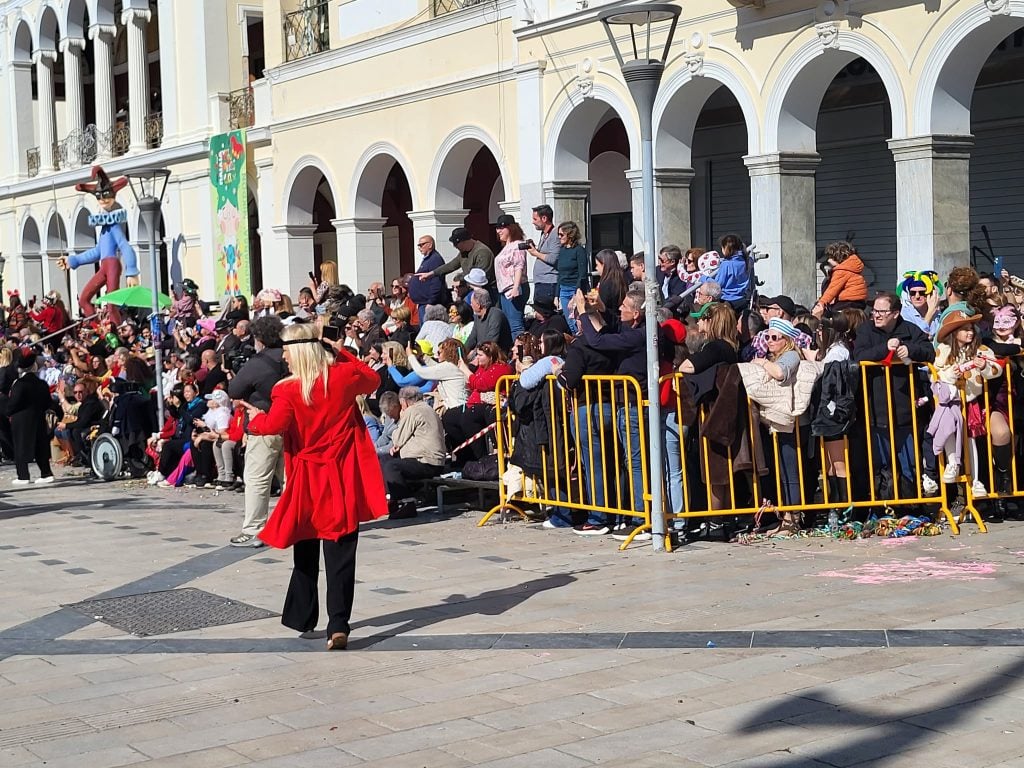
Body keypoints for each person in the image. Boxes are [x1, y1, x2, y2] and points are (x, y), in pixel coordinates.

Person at [243, 322, 388, 651]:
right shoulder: (342, 379)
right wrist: (339, 351)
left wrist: (252, 418)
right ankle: (338, 624)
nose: (285, 359)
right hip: (340, 474)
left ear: (298, 352)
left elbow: (274, 425)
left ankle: (303, 615)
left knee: (305, 548)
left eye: (287, 353)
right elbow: (372, 378)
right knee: (340, 553)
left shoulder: (287, 390)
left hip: (308, 477)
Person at [854, 290, 935, 499]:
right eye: (874, 311)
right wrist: (884, 349)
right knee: (880, 462)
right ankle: (882, 508)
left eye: (882, 311)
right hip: (876, 409)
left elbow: (929, 352)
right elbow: (859, 355)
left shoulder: (909, 330)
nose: (877, 315)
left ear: (896, 313)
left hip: (905, 408)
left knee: (909, 462)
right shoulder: (865, 330)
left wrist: (910, 350)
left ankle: (911, 505)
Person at [227, 315, 288, 547]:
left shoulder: (257, 362)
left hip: (263, 425)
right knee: (290, 479)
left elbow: (235, 389)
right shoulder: (289, 356)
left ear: (259, 338)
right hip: (291, 425)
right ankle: (297, 524)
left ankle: (254, 529)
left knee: (257, 479)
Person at [381, 386, 447, 517]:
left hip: (427, 461)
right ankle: (393, 501)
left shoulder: (413, 411)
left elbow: (398, 437)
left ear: (404, 402)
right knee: (386, 460)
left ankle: (407, 503)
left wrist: (397, 437)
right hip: (429, 460)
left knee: (391, 466)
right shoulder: (427, 409)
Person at [7, 350, 57, 486]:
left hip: (21, 420)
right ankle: (46, 473)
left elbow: (13, 403)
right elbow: (48, 402)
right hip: (38, 417)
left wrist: (7, 411)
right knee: (40, 446)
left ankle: (23, 475)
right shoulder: (41, 384)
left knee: (21, 447)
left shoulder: (20, 384)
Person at [419, 227, 496, 298]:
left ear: (465, 241)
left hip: (486, 291)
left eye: (456, 244)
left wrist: (460, 279)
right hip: (471, 290)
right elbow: (451, 265)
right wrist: (431, 273)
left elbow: (479, 275)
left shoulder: (482, 252)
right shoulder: (463, 252)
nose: (455, 246)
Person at [494, 214, 530, 337]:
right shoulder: (507, 247)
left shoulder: (517, 245)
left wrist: (516, 287)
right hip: (504, 290)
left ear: (511, 228)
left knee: (516, 325)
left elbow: (519, 266)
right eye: (497, 227)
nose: (499, 231)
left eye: (502, 227)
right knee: (509, 324)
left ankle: (522, 352)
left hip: (513, 289)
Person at [813, 241, 868, 318]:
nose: (828, 260)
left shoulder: (842, 271)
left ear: (838, 257)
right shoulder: (851, 267)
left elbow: (832, 290)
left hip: (847, 302)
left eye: (830, 257)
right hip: (858, 301)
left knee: (828, 315)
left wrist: (821, 303)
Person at [555, 221, 590, 333]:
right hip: (564, 290)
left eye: (561, 235)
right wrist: (557, 295)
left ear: (569, 235)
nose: (559, 237)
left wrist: (576, 294)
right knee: (570, 322)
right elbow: (559, 274)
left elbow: (582, 274)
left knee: (579, 320)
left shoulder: (579, 250)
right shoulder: (562, 251)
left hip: (576, 288)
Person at [408, 237, 447, 323]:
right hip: (423, 303)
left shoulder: (435, 259)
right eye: (418, 245)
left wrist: (431, 302)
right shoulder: (428, 259)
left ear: (430, 245)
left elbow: (436, 282)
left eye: (421, 245)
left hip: (429, 304)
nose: (419, 248)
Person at [527, 205, 560, 305]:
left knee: (545, 314)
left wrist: (535, 253)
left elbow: (553, 258)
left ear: (544, 218)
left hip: (548, 282)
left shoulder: (554, 234)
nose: (533, 222)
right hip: (541, 282)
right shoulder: (544, 234)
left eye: (535, 219)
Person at [463, 289, 513, 353]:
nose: (471, 305)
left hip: (497, 355)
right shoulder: (477, 317)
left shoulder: (495, 315)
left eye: (472, 303)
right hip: (482, 353)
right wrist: (463, 352)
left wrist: (474, 354)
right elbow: (472, 338)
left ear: (478, 305)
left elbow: (491, 341)